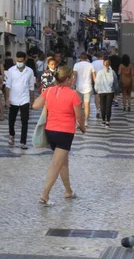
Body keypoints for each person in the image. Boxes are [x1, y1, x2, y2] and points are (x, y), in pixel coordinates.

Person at [32, 66, 86, 206]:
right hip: (65, 132)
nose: (73, 79)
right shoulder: (73, 94)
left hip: (50, 131)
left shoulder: (49, 91)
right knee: (57, 164)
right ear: (67, 79)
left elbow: (35, 105)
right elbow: (79, 116)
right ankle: (45, 195)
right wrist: (83, 127)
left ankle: (68, 191)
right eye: (72, 77)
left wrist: (48, 101)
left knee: (63, 162)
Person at [6, 52, 35, 149]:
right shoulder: (11, 70)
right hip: (13, 99)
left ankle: (23, 141)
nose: (19, 63)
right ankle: (11, 134)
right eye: (18, 61)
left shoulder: (30, 71)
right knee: (11, 120)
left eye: (21, 61)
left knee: (24, 121)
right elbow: (8, 85)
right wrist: (7, 98)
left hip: (25, 99)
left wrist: (32, 99)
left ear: (25, 60)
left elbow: (31, 86)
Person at [95, 57, 118, 128]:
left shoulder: (100, 72)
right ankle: (108, 121)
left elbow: (97, 82)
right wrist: (117, 91)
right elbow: (115, 82)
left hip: (101, 91)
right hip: (110, 91)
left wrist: (97, 90)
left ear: (103, 64)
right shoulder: (112, 72)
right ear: (109, 64)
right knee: (109, 107)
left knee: (102, 106)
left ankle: (103, 121)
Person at [72, 53, 96, 121]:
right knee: (87, 104)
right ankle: (86, 121)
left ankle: (78, 120)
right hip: (88, 87)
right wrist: (96, 85)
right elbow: (94, 77)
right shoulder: (91, 65)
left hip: (79, 87)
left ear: (80, 58)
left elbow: (74, 76)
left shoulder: (76, 65)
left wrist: (72, 85)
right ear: (87, 58)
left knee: (78, 104)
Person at [91, 52, 105, 118]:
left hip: (96, 80)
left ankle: (97, 110)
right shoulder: (105, 62)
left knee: (96, 95)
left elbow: (91, 72)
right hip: (104, 81)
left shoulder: (93, 63)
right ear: (103, 56)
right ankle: (102, 109)